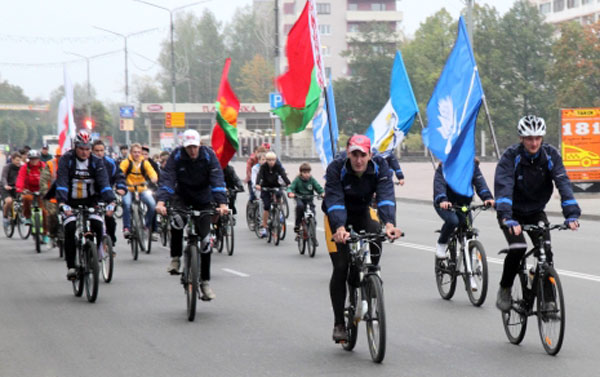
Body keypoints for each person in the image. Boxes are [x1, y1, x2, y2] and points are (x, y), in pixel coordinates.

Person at [494, 115, 580, 312]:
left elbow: (563, 182)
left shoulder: (550, 155)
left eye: (537, 138)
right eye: (529, 138)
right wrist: (507, 217)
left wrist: (571, 214)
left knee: (546, 252)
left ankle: (548, 301)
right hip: (511, 213)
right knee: (518, 247)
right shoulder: (510, 157)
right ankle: (505, 288)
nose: (533, 142)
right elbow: (504, 186)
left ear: (542, 138)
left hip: (535, 211)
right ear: (521, 139)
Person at [322, 134, 403, 342]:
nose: (358, 160)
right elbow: (334, 199)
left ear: (370, 155)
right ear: (348, 153)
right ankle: (339, 323)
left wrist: (389, 224)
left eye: (363, 155)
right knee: (341, 267)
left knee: (377, 235)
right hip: (335, 215)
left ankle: (370, 277)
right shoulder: (335, 168)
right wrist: (339, 227)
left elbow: (386, 196)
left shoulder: (380, 166)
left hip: (361, 212)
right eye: (354, 155)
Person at [155, 129, 228, 300]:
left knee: (205, 242)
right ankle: (175, 258)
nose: (192, 151)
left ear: (199, 145)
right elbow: (168, 179)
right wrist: (161, 202)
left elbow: (217, 179)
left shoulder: (208, 156)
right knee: (177, 222)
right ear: (184, 147)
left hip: (203, 199)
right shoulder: (177, 156)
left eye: (195, 147)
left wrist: (222, 203)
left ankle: (204, 283)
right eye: (189, 148)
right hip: (182, 197)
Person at [54, 131, 116, 279]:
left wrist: (111, 201)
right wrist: (62, 203)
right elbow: (62, 182)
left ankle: (96, 253)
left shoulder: (96, 161)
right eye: (81, 148)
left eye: (87, 148)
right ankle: (71, 266)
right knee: (70, 228)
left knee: (97, 225)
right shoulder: (66, 160)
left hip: (91, 200)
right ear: (75, 147)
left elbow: (104, 183)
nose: (84, 152)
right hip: (69, 201)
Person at [433, 159, 495, 288]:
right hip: (445, 204)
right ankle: (442, 243)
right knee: (453, 221)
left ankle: (470, 276)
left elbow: (480, 183)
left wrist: (487, 198)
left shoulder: (472, 166)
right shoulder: (444, 167)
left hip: (463, 205)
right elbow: (439, 186)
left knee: (468, 235)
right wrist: (442, 199)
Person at [119, 143, 158, 239]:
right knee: (126, 204)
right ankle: (127, 228)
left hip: (142, 189)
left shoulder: (145, 163)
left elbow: (152, 172)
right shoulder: (126, 162)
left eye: (139, 152)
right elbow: (120, 173)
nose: (137, 154)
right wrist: (121, 184)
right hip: (129, 188)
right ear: (131, 152)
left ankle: (146, 226)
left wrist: (154, 178)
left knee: (152, 204)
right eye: (135, 152)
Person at [92, 140, 127, 245]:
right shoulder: (88, 162)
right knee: (93, 221)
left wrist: (121, 188)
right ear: (92, 151)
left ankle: (111, 241)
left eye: (101, 150)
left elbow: (119, 176)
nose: (99, 153)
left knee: (109, 219)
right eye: (96, 151)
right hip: (92, 197)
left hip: (108, 196)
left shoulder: (111, 163)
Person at [255, 151, 290, 238]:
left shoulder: (278, 166)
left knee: (279, 194)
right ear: (266, 160)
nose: (271, 162)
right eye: (269, 160)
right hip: (265, 187)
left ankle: (280, 212)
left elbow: (283, 175)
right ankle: (264, 226)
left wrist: (288, 183)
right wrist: (258, 184)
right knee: (266, 206)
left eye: (273, 160)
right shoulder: (263, 167)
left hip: (275, 185)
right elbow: (259, 176)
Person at [16, 150, 47, 240]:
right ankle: (28, 216)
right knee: (26, 198)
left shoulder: (43, 166)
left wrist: (48, 189)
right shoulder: (25, 167)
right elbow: (20, 178)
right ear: (29, 159)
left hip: (41, 191)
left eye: (36, 159)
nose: (34, 161)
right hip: (29, 191)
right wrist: (19, 188)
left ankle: (45, 233)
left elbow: (47, 178)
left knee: (45, 212)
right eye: (32, 159)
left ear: (39, 159)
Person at [287, 162, 324, 233]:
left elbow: (318, 187)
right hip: (299, 198)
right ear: (301, 173)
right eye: (304, 172)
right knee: (300, 207)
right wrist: (290, 193)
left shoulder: (312, 180)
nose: (307, 174)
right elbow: (291, 187)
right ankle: (297, 225)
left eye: (308, 172)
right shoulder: (297, 180)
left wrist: (322, 193)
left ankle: (312, 234)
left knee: (312, 213)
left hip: (309, 199)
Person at [40, 148, 62, 245]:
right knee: (52, 214)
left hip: (66, 197)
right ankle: (52, 235)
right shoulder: (50, 164)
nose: (61, 158)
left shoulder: (72, 164)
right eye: (59, 157)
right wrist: (45, 193)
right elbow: (43, 180)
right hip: (52, 196)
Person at [1, 152, 22, 226]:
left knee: (20, 201)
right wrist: (6, 185)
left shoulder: (22, 168)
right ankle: (5, 216)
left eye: (19, 160)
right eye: (17, 160)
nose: (18, 162)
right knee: (9, 201)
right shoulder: (7, 167)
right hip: (6, 188)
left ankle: (18, 216)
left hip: (16, 188)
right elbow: (4, 177)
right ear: (12, 159)